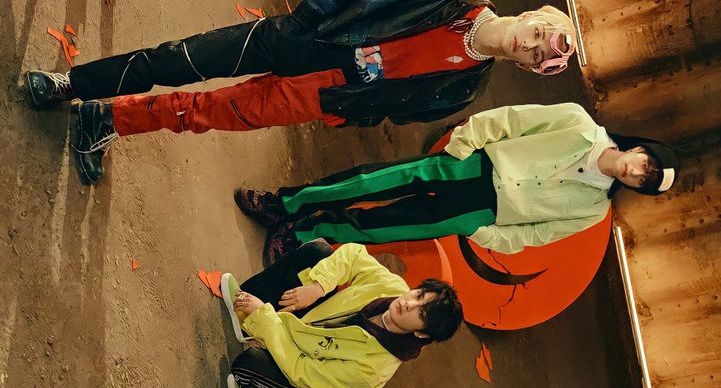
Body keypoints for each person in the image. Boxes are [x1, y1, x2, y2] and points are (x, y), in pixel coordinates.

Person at [24, 0, 576, 183]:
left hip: (324, 96)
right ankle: (70, 83)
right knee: (178, 61)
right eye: (538, 36)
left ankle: (104, 120)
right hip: (306, 42)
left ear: (532, 69)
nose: (531, 47)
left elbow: (404, 114)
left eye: (539, 56)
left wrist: (347, 116)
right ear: (532, 15)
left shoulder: (468, 83)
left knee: (206, 112)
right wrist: (303, 20)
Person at [237, 101, 680, 262]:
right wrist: (466, 141)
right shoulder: (579, 124)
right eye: (646, 163)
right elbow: (513, 121)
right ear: (639, 149)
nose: (637, 172)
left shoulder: (594, 208)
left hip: (483, 213)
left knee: (388, 225)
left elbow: (540, 235)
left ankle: (304, 233)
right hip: (475, 164)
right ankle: (285, 203)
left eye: (645, 180)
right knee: (371, 182)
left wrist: (484, 233)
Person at [218, 238, 463, 388]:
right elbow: (354, 255)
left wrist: (265, 319)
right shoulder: (393, 288)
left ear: (421, 334)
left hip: (307, 375)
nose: (409, 303)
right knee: (318, 253)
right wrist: (317, 287)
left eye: (421, 313)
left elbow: (303, 371)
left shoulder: (372, 370)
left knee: (247, 365)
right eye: (419, 295)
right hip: (310, 325)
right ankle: (246, 312)